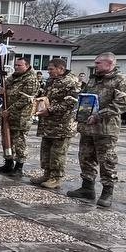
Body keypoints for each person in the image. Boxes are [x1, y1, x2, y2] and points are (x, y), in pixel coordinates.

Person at [66, 52, 126, 208]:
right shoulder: (94, 79)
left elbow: (122, 104)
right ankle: (87, 188)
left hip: (105, 128)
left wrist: (99, 115)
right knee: (85, 157)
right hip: (88, 126)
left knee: (107, 160)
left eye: (98, 63)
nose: (95, 66)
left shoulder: (121, 80)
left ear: (109, 63)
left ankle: (107, 192)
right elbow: (86, 98)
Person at [30, 56, 80, 190]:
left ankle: (56, 178)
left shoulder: (71, 82)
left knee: (58, 153)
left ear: (61, 69)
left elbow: (70, 103)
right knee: (46, 151)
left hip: (62, 125)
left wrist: (50, 110)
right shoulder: (51, 80)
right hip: (48, 123)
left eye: (51, 69)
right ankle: (47, 174)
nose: (49, 71)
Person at [0, 56, 41, 176]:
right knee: (6, 139)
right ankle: (8, 163)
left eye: (19, 65)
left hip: (21, 116)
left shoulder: (31, 79)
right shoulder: (13, 77)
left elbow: (25, 99)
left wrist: (9, 110)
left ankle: (19, 166)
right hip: (7, 115)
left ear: (27, 66)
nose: (16, 67)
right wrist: (0, 91)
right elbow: (3, 89)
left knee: (19, 142)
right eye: (15, 65)